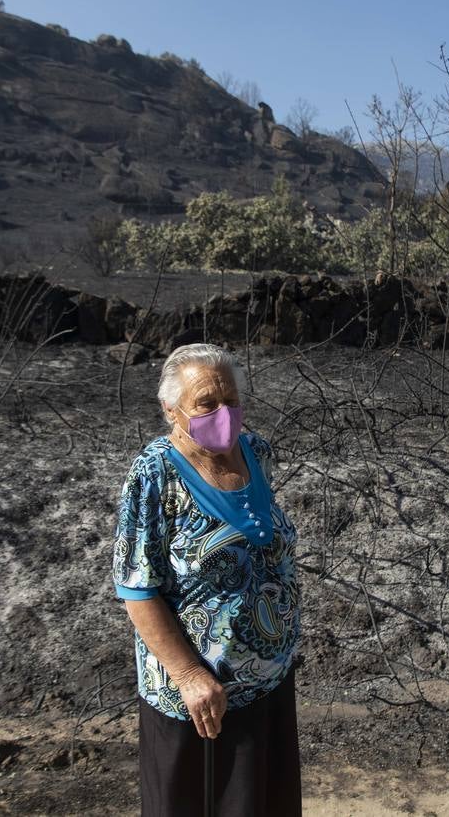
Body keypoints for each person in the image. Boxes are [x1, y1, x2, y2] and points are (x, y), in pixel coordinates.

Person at [113, 343, 301, 817]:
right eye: (207, 404)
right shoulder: (153, 473)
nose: (224, 413)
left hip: (268, 684)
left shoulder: (256, 451)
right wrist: (190, 675)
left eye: (232, 400)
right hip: (199, 701)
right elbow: (137, 587)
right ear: (170, 409)